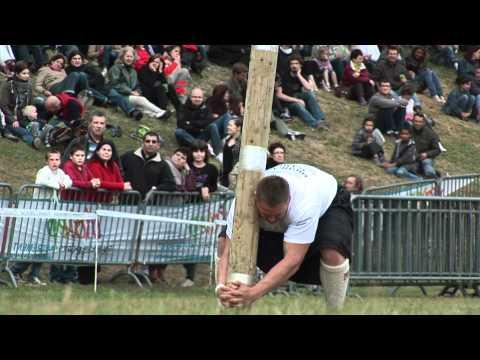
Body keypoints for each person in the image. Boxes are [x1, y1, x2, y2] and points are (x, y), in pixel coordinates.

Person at [216, 164, 353, 310]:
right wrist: (220, 287)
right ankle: (228, 306)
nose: (272, 220)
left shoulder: (304, 204)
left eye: (277, 214)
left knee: (333, 251)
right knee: (223, 241)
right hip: (294, 191)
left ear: (289, 200)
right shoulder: (242, 203)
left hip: (330, 198)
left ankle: (335, 309)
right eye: (266, 214)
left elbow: (293, 261)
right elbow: (228, 252)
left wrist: (252, 293)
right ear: (255, 200)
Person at [11, 150, 73, 286]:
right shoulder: (43, 171)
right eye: (52, 159)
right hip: (39, 212)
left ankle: (34, 275)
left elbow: (68, 180)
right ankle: (15, 270)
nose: (54, 162)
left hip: (52, 213)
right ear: (47, 161)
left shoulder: (61, 173)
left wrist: (64, 184)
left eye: (57, 159)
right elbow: (42, 181)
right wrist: (58, 185)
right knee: (35, 245)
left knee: (45, 245)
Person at [178, 140, 219, 287]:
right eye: (195, 151)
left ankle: (191, 277)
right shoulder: (184, 167)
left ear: (206, 153)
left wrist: (208, 188)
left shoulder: (212, 169)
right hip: (184, 207)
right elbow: (182, 185)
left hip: (203, 210)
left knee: (196, 242)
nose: (199, 154)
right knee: (181, 240)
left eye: (202, 151)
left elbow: (214, 185)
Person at [107, 46, 169, 120]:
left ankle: (157, 115)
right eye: (127, 56)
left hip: (131, 96)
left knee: (141, 107)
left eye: (131, 56)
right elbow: (115, 84)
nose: (129, 58)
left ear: (134, 58)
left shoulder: (133, 71)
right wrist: (131, 91)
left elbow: (137, 85)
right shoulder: (116, 68)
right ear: (122, 57)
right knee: (141, 100)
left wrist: (138, 91)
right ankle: (161, 111)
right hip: (120, 95)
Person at [276, 54, 327, 129]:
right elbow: (279, 95)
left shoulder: (302, 74)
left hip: (297, 96)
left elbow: (309, 88)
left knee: (310, 94)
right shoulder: (284, 75)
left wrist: (299, 75)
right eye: (292, 64)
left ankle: (320, 120)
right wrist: (297, 100)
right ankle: (315, 124)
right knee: (298, 105)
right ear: (289, 65)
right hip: (287, 102)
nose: (294, 66)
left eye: (296, 63)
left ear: (300, 65)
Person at [120, 131, 177, 198]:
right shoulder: (128, 156)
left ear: (158, 145)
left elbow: (171, 184)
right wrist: (121, 184)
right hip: (125, 203)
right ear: (142, 143)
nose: (150, 144)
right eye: (147, 141)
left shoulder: (162, 164)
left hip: (148, 205)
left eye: (154, 142)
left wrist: (155, 189)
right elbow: (115, 170)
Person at [174, 88, 223, 159]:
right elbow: (181, 124)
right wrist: (199, 125)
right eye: (195, 97)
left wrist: (191, 123)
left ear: (203, 98)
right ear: (190, 97)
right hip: (187, 138)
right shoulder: (183, 108)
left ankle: (218, 153)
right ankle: (204, 147)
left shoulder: (206, 108)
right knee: (178, 131)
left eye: (199, 97)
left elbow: (209, 121)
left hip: (200, 136)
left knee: (213, 126)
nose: (197, 99)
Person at [411, 113, 442, 178]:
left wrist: (427, 154)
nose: (417, 123)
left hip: (425, 158)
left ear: (424, 123)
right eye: (416, 121)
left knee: (427, 167)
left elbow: (438, 150)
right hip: (412, 157)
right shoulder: (408, 131)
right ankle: (423, 171)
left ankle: (435, 178)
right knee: (411, 169)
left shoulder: (430, 133)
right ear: (413, 121)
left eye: (420, 122)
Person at [221, 117, 243, 188]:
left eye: (230, 125)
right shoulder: (226, 139)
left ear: (238, 128)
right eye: (228, 125)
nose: (228, 127)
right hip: (224, 175)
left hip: (235, 176)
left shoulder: (242, 142)